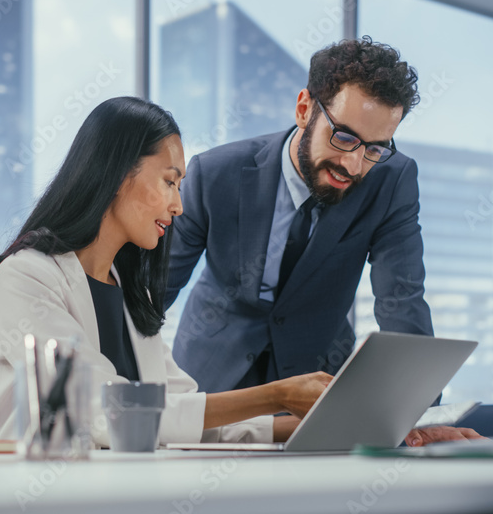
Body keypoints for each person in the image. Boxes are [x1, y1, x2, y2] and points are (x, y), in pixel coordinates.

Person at [0, 95, 479, 448]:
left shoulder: (123, 294)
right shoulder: (28, 277)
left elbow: (187, 415)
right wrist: (277, 394)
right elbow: (104, 410)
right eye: (169, 182)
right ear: (117, 175)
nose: (179, 205)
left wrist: (359, 427)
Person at [165, 37, 441, 395]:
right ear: (304, 109)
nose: (354, 165)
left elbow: (402, 302)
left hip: (316, 382)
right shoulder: (214, 174)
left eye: (375, 148)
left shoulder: (392, 181)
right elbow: (152, 292)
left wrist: (419, 415)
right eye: (343, 137)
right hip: (211, 376)